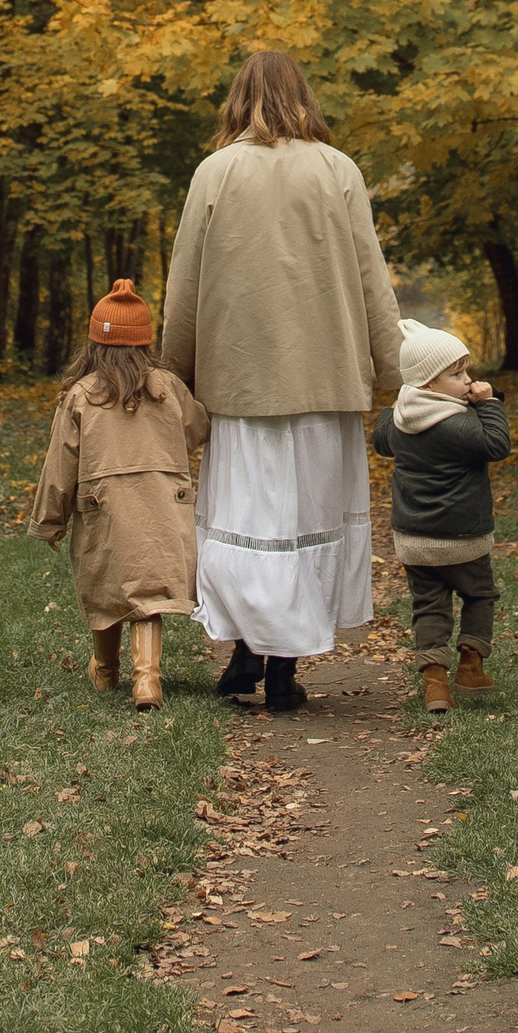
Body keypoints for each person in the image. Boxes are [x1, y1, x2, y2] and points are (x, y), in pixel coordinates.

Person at [162, 50, 402, 713]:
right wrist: (395, 371)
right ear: (305, 97)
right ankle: (282, 669)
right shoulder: (338, 171)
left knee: (249, 521)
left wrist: (173, 373)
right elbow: (371, 280)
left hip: (238, 382)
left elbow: (184, 286)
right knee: (307, 520)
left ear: (237, 100)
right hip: (325, 379)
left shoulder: (214, 172)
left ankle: (247, 654)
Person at [29, 280, 208, 710]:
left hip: (102, 507)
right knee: (148, 592)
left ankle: (106, 670)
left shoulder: (82, 395)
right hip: (163, 503)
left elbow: (61, 463)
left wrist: (50, 518)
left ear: (95, 343)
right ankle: (146, 678)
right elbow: (197, 430)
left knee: (106, 586)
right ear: (144, 343)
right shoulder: (168, 388)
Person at [372, 317, 510, 714]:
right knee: (479, 594)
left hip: (414, 539)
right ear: (429, 384)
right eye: (457, 373)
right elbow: (497, 444)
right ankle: (470, 667)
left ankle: (435, 684)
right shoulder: (457, 425)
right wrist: (489, 404)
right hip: (462, 536)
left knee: (429, 606)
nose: (468, 380)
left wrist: (401, 404)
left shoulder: (401, 424)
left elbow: (381, 436)